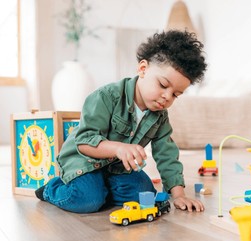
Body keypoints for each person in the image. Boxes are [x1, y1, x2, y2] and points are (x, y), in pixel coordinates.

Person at [35, 30, 207, 214]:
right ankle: (51, 189)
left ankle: (101, 190)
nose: (167, 97)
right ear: (143, 69)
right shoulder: (106, 96)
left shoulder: (160, 117)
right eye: (163, 85)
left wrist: (178, 194)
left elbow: (167, 156)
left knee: (145, 193)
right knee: (87, 201)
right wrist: (118, 148)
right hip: (83, 163)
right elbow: (84, 142)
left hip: (116, 169)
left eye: (175, 94)